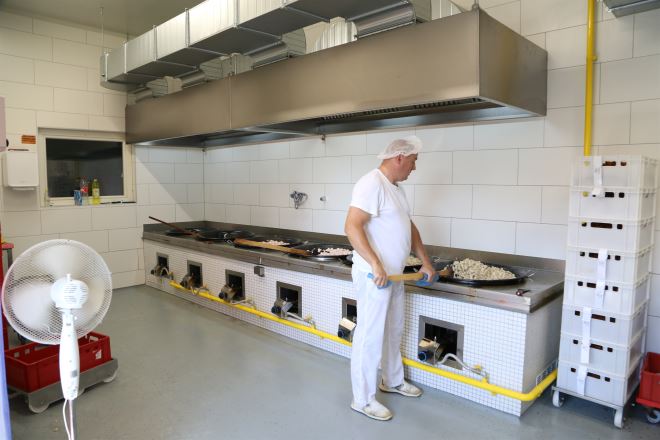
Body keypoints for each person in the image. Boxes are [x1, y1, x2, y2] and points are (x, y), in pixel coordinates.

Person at [344, 135, 435, 421]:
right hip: (375, 276)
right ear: (399, 158)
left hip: (394, 276)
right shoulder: (371, 183)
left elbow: (409, 228)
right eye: (413, 161)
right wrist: (375, 263)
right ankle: (362, 399)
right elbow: (352, 226)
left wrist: (425, 261)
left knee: (394, 329)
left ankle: (392, 380)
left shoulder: (396, 189)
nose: (414, 167)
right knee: (370, 336)